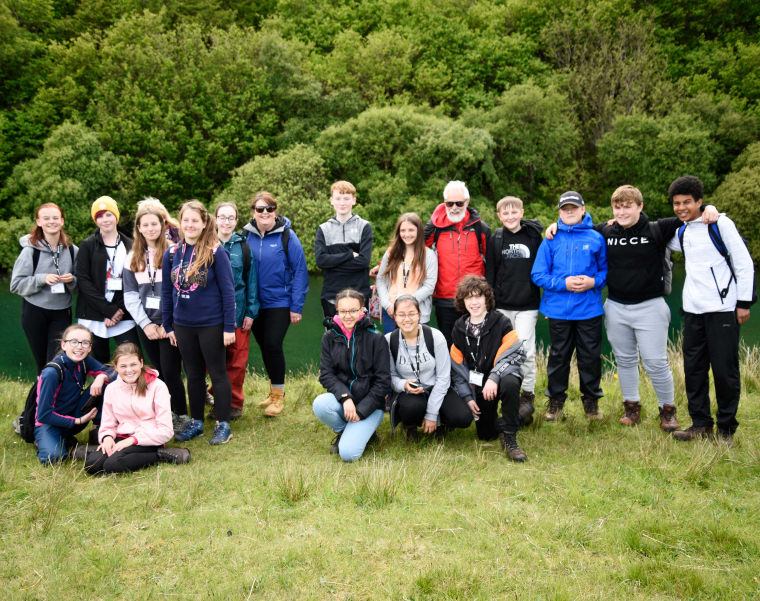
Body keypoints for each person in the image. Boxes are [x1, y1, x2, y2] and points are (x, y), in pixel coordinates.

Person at [666, 175, 755, 444]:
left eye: (687, 202)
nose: (681, 208)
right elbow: (654, 240)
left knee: (725, 371)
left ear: (700, 202)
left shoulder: (720, 224)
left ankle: (726, 429)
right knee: (693, 370)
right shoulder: (681, 231)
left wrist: (743, 303)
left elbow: (743, 264)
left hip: (723, 309)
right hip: (693, 311)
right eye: (676, 203)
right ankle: (701, 423)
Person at [162, 200, 236, 445]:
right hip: (183, 325)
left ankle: (223, 424)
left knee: (217, 373)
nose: (190, 225)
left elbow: (228, 292)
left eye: (195, 220)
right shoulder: (172, 253)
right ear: (180, 223)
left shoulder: (216, 252)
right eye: (186, 221)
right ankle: (196, 422)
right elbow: (166, 292)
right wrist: (168, 324)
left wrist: (228, 327)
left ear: (205, 223)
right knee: (193, 374)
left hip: (211, 324)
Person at [531, 191, 607, 422]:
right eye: (565, 208)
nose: (570, 211)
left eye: (574, 207)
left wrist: (594, 282)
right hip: (558, 310)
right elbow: (538, 275)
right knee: (559, 357)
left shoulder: (596, 238)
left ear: (583, 210)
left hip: (589, 309)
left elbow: (605, 272)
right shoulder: (550, 240)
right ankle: (555, 403)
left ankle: (591, 402)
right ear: (559, 213)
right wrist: (563, 283)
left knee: (590, 357)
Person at [123, 199, 189, 434]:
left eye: (155, 224)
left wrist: (167, 324)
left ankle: (181, 416)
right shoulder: (131, 258)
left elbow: (181, 290)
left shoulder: (174, 252)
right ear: (139, 228)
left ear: (162, 225)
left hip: (171, 324)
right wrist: (146, 324)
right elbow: (130, 296)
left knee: (171, 371)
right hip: (147, 325)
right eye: (145, 225)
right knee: (154, 372)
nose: (151, 229)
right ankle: (161, 415)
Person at [243, 191, 309, 417]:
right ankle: (273, 392)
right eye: (260, 209)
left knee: (273, 344)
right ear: (253, 211)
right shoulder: (245, 236)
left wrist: (296, 306)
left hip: (280, 302)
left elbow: (300, 271)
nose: (264, 213)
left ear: (275, 211)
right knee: (265, 348)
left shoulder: (287, 236)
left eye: (269, 209)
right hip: (253, 304)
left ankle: (279, 397)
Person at [75, 343, 189, 473]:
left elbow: (166, 431)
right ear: (116, 366)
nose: (129, 370)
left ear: (141, 363)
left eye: (133, 364)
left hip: (149, 438)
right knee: (92, 465)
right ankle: (100, 452)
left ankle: (161, 455)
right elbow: (108, 423)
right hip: (122, 435)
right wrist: (107, 438)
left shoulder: (158, 386)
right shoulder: (112, 389)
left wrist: (132, 440)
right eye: (123, 366)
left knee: (113, 465)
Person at [449, 276, 527, 461]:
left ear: (487, 299)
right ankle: (520, 416)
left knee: (510, 383)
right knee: (486, 434)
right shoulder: (459, 328)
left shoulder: (501, 321)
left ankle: (510, 439)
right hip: (479, 386)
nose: (474, 302)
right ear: (463, 301)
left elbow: (517, 354)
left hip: (501, 377)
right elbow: (458, 371)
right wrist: (468, 397)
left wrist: (494, 376)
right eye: (469, 297)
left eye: (478, 296)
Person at [313, 289, 390, 462]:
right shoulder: (329, 337)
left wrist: (361, 411)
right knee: (320, 404)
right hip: (344, 402)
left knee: (348, 454)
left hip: (370, 406)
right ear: (337, 311)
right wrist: (345, 397)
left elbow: (383, 382)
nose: (348, 316)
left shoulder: (376, 338)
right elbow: (326, 375)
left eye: (353, 310)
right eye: (343, 311)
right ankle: (343, 431)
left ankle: (365, 432)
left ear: (362, 310)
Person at [485, 196, 543, 426]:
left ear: (522, 213)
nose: (510, 217)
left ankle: (527, 397)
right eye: (505, 213)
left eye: (514, 212)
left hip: (527, 305)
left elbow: (542, 267)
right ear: (499, 216)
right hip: (501, 306)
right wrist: (490, 306)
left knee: (526, 350)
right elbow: (490, 272)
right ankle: (507, 397)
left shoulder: (533, 236)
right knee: (502, 353)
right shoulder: (496, 239)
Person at [387, 295, 472, 441]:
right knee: (411, 408)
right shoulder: (389, 340)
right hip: (410, 392)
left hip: (435, 386)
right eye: (401, 314)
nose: (407, 319)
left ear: (419, 314)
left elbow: (444, 377)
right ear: (395, 316)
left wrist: (432, 414)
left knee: (463, 417)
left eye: (412, 314)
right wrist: (404, 385)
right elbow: (390, 377)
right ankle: (410, 426)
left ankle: (441, 424)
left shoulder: (435, 336)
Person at [11, 203, 77, 373]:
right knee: (42, 364)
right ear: (39, 222)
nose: (51, 222)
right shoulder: (30, 251)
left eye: (55, 218)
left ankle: (53, 397)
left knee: (55, 363)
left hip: (62, 312)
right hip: (34, 311)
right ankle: (39, 399)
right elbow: (16, 285)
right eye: (46, 218)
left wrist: (72, 280)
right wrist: (42, 279)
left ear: (62, 221)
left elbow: (79, 287)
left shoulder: (72, 251)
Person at [208, 202, 259, 420]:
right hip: (211, 315)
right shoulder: (205, 244)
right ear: (215, 219)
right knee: (214, 362)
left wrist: (250, 312)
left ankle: (235, 404)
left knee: (237, 362)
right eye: (222, 217)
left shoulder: (243, 247)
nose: (226, 222)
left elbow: (252, 282)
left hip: (238, 315)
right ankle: (218, 401)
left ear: (236, 221)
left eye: (231, 218)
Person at [424, 180, 490, 347]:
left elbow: (494, 261)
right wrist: (382, 265)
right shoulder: (435, 227)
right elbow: (410, 248)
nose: (454, 207)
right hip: (445, 298)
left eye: (459, 203)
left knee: (476, 346)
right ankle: (450, 375)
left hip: (474, 298)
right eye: (449, 203)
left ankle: (475, 375)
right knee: (448, 346)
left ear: (467, 202)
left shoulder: (480, 228)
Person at [33, 324, 111, 464]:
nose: (79, 347)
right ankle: (49, 440)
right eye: (74, 342)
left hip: (74, 415)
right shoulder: (52, 372)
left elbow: (114, 374)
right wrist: (78, 421)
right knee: (54, 458)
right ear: (63, 345)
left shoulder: (85, 361)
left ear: (90, 347)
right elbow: (43, 414)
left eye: (85, 343)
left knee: (107, 382)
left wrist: (101, 377)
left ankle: (97, 430)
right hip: (50, 423)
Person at [76, 196, 140, 364]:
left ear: (116, 217)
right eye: (100, 216)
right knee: (99, 364)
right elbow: (83, 281)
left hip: (123, 314)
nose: (105, 219)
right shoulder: (87, 245)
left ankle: (133, 390)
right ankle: (102, 390)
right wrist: (107, 310)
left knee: (131, 358)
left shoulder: (131, 245)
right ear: (95, 220)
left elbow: (134, 282)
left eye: (109, 214)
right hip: (93, 315)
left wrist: (117, 310)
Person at [315, 181, 373, 318]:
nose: (342, 203)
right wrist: (349, 255)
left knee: (361, 338)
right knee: (333, 338)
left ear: (354, 200)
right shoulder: (324, 229)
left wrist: (333, 264)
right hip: (331, 296)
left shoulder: (364, 226)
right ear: (331, 201)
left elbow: (364, 262)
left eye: (346, 198)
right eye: (338, 198)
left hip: (360, 295)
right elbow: (321, 261)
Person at [376, 213, 438, 332]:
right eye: (403, 230)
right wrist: (387, 304)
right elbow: (380, 279)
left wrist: (407, 304)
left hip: (417, 312)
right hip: (391, 313)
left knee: (416, 349)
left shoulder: (428, 255)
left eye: (411, 230)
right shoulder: (391, 253)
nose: (407, 234)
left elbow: (429, 286)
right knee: (391, 349)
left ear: (419, 231)